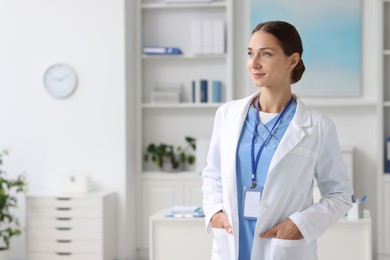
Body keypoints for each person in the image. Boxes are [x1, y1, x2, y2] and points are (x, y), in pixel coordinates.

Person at [201, 21, 353, 260]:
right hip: (231, 242)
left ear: (292, 60)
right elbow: (212, 174)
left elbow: (340, 195)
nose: (254, 63)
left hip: (282, 248)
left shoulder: (318, 127)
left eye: (266, 54)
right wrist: (214, 213)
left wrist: (299, 225)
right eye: (250, 53)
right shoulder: (227, 115)